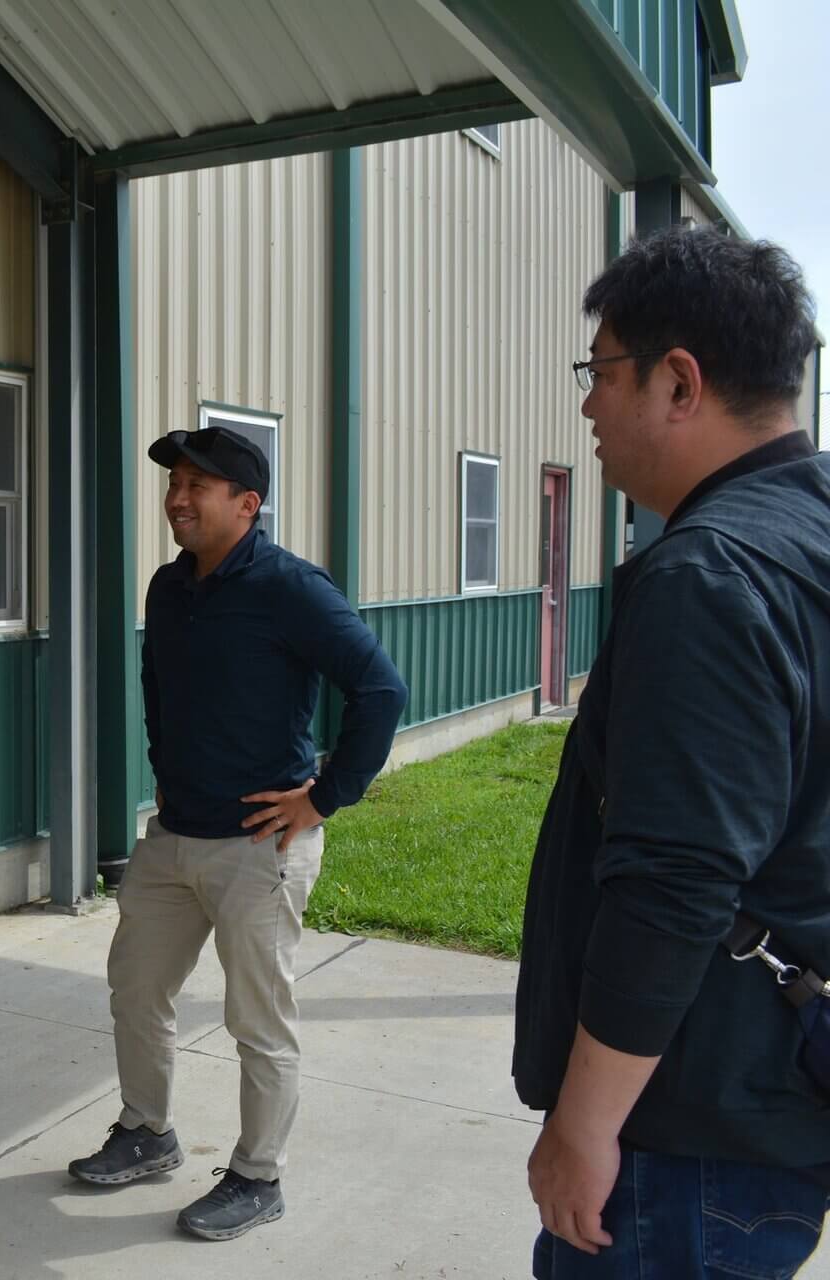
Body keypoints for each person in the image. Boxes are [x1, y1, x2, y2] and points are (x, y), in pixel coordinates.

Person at [516, 226, 830, 1278]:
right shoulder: (809, 530)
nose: (589, 407)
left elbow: (676, 882)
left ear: (680, 382)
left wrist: (584, 1123)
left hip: (685, 1142)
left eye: (602, 372)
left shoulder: (708, 576)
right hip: (774, 1099)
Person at [67, 424, 407, 1241]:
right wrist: (167, 771)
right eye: (173, 483)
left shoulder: (291, 588)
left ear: (247, 504)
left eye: (196, 485)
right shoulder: (168, 587)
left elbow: (380, 689)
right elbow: (160, 688)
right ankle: (147, 1132)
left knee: (258, 1019)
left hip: (259, 847)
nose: (176, 499)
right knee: (135, 990)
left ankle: (258, 1176)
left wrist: (324, 798)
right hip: (174, 836)